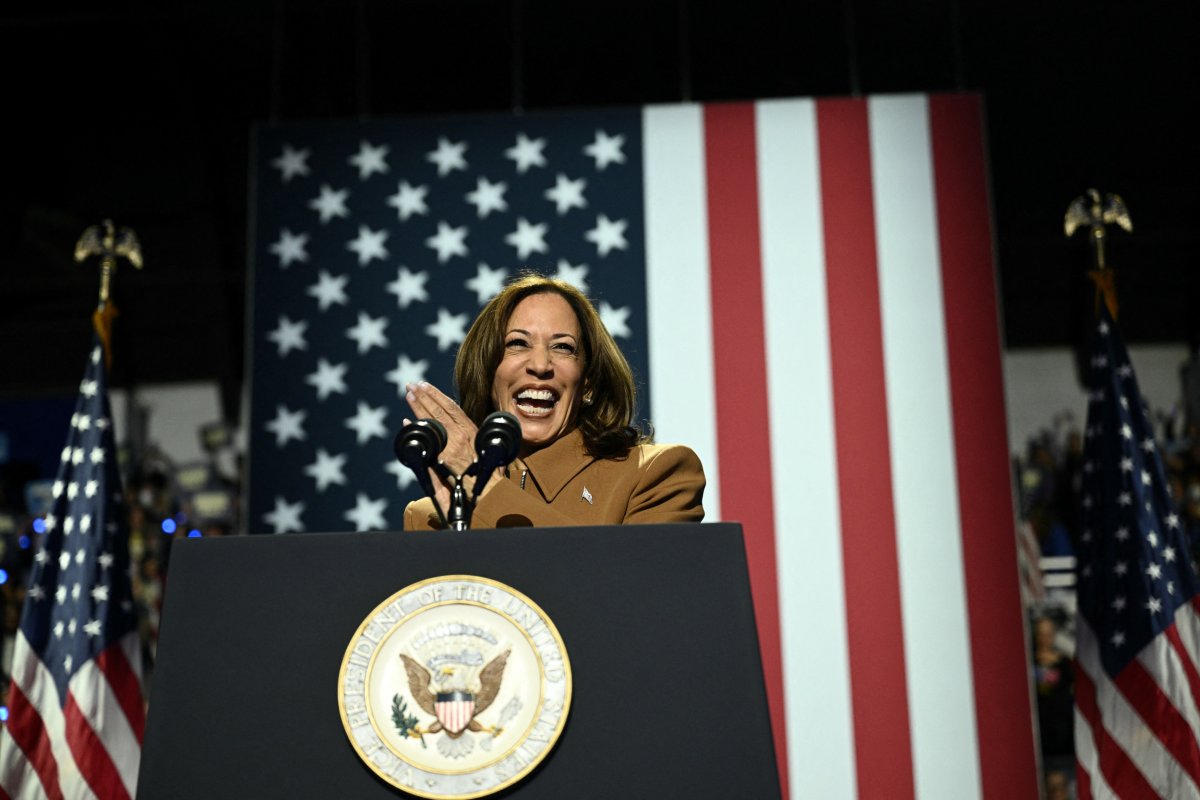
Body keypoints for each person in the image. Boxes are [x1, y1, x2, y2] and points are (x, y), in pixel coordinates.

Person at [402, 274, 705, 530]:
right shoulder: (427, 518)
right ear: (488, 376)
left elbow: (629, 590)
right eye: (518, 343)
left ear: (587, 383)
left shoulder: (656, 475)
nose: (540, 364)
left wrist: (490, 496)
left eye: (562, 347)